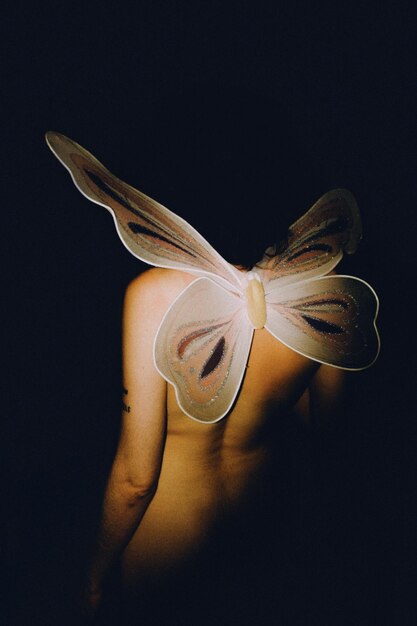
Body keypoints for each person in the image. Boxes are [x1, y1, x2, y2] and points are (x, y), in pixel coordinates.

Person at [45, 104, 379, 623]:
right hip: (259, 515)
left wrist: (92, 577)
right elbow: (327, 426)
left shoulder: (154, 295)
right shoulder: (322, 288)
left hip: (170, 536)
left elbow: (136, 479)